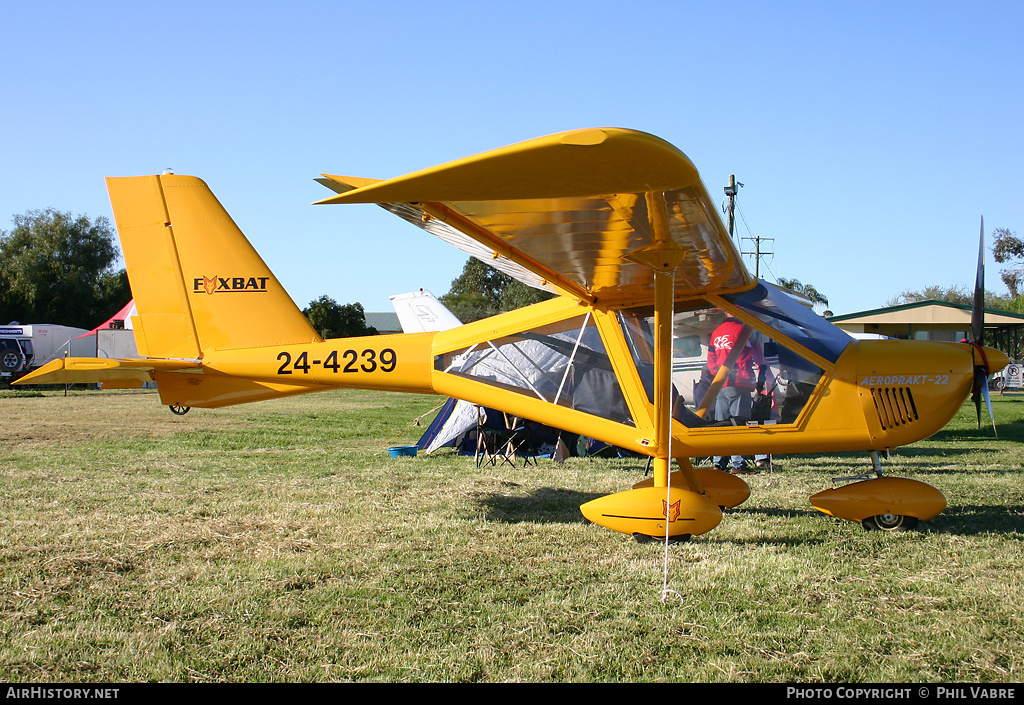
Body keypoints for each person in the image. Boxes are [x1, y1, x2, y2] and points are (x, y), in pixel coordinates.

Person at [705, 316, 768, 474]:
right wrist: (760, 382)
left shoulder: (716, 333)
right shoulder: (745, 330)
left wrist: (718, 374)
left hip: (720, 384)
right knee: (739, 424)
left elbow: (711, 361)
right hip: (741, 382)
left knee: (721, 424)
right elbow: (759, 359)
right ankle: (738, 464)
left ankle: (718, 462)